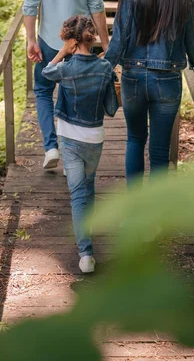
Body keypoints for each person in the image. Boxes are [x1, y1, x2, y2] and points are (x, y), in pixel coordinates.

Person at [105, 0, 194, 183]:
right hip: (168, 79)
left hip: (134, 78)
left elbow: (120, 38)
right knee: (160, 152)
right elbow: (193, 39)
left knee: (134, 139)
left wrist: (104, 67)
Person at [23, 0, 109, 171]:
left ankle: (51, 147)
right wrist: (105, 43)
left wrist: (30, 39)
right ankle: (77, 150)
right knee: (77, 90)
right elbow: (96, 5)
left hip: (50, 39)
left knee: (43, 91)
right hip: (81, 41)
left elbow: (30, 3)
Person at [42, 15, 118, 273]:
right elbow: (110, 109)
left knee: (77, 196)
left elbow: (46, 72)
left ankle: (86, 254)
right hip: (94, 138)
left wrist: (62, 52)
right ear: (92, 37)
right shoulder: (105, 68)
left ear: (71, 40)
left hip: (71, 139)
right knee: (89, 185)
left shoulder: (66, 68)